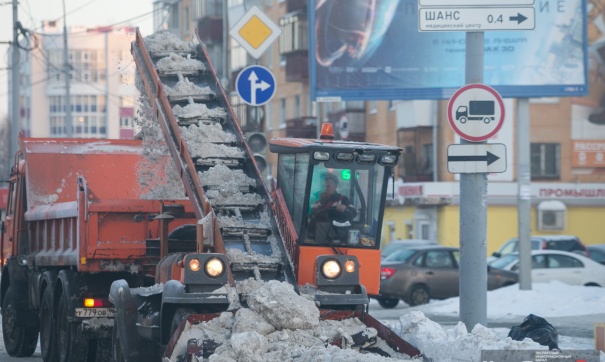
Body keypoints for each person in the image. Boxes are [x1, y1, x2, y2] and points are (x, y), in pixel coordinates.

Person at [307, 173, 356, 240]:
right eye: (324, 186)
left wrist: (345, 208)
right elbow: (306, 217)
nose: (326, 188)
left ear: (335, 186)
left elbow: (353, 212)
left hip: (334, 239)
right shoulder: (313, 200)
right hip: (313, 238)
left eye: (329, 186)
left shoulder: (342, 199)